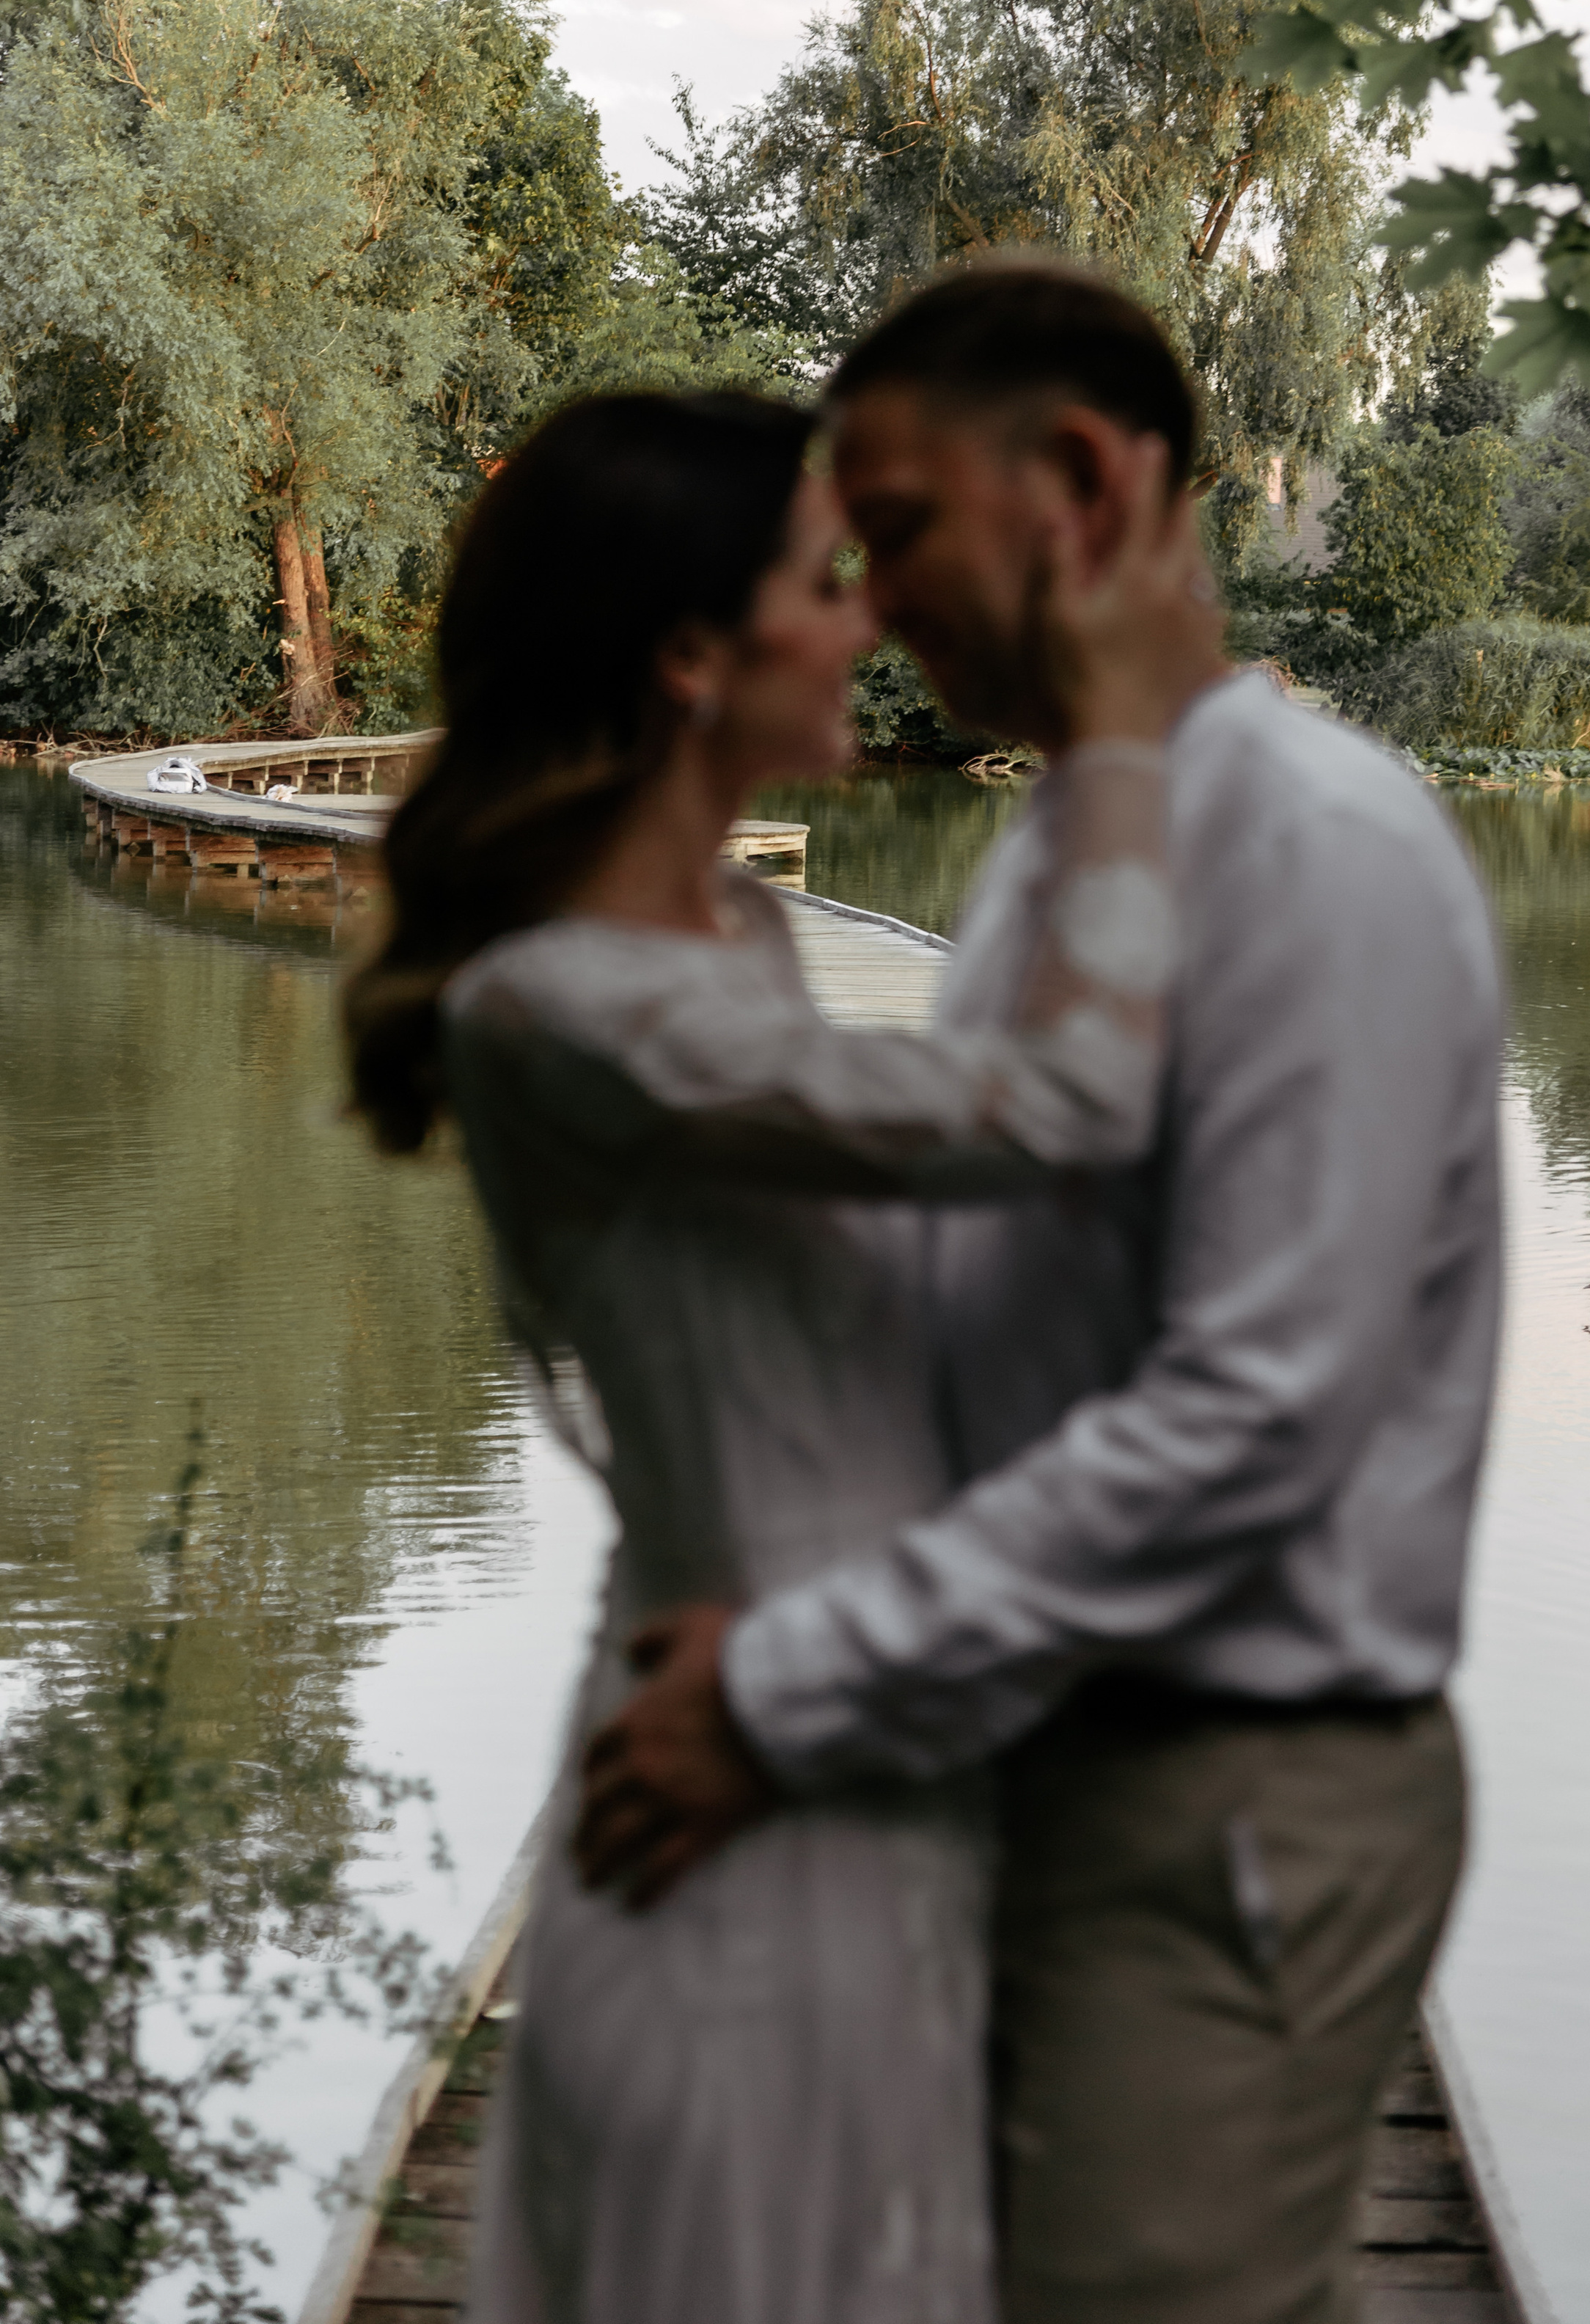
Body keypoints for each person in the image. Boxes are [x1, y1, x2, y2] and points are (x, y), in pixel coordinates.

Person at [580, 265, 1506, 2324]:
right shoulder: (1057, 862)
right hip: (1030, 1754)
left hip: (1218, 1800)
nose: (869, 597)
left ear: (1082, 479)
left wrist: (786, 1685)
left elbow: (1257, 1419)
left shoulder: (1313, 851)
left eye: (895, 529)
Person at [343, 384, 1221, 2324]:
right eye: (829, 584)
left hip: (855, 1739)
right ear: (688, 656)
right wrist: (1129, 733)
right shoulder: (563, 1009)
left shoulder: (738, 938)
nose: (873, 622)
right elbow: (1070, 1101)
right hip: (729, 1800)